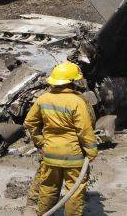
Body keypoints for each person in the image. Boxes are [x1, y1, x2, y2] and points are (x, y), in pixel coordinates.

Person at [24, 61, 98, 216]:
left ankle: (43, 213)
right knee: (74, 191)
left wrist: (41, 142)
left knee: (48, 188)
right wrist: (91, 151)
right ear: (72, 81)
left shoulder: (43, 99)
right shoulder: (77, 101)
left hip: (50, 154)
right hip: (74, 156)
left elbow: (30, 122)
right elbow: (84, 130)